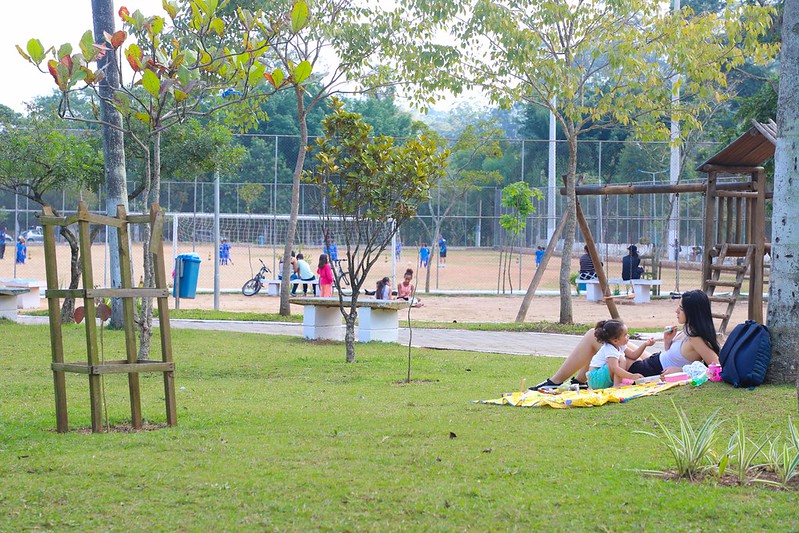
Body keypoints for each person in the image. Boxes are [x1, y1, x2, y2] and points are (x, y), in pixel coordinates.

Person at [529, 290, 720, 390]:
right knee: (604, 337)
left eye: (680, 308)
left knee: (596, 337)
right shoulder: (688, 331)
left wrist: (680, 370)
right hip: (652, 359)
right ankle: (577, 381)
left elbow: (716, 368)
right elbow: (677, 356)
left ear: (692, 312)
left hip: (648, 369)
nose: (676, 311)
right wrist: (669, 342)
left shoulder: (696, 338)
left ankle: (557, 381)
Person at [587, 319, 653, 389]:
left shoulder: (620, 346)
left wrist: (645, 344)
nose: (628, 336)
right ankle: (617, 384)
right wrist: (631, 376)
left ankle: (618, 382)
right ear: (615, 340)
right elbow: (614, 368)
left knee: (621, 359)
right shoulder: (610, 349)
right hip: (596, 379)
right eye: (625, 335)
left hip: (602, 377)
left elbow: (633, 355)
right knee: (621, 359)